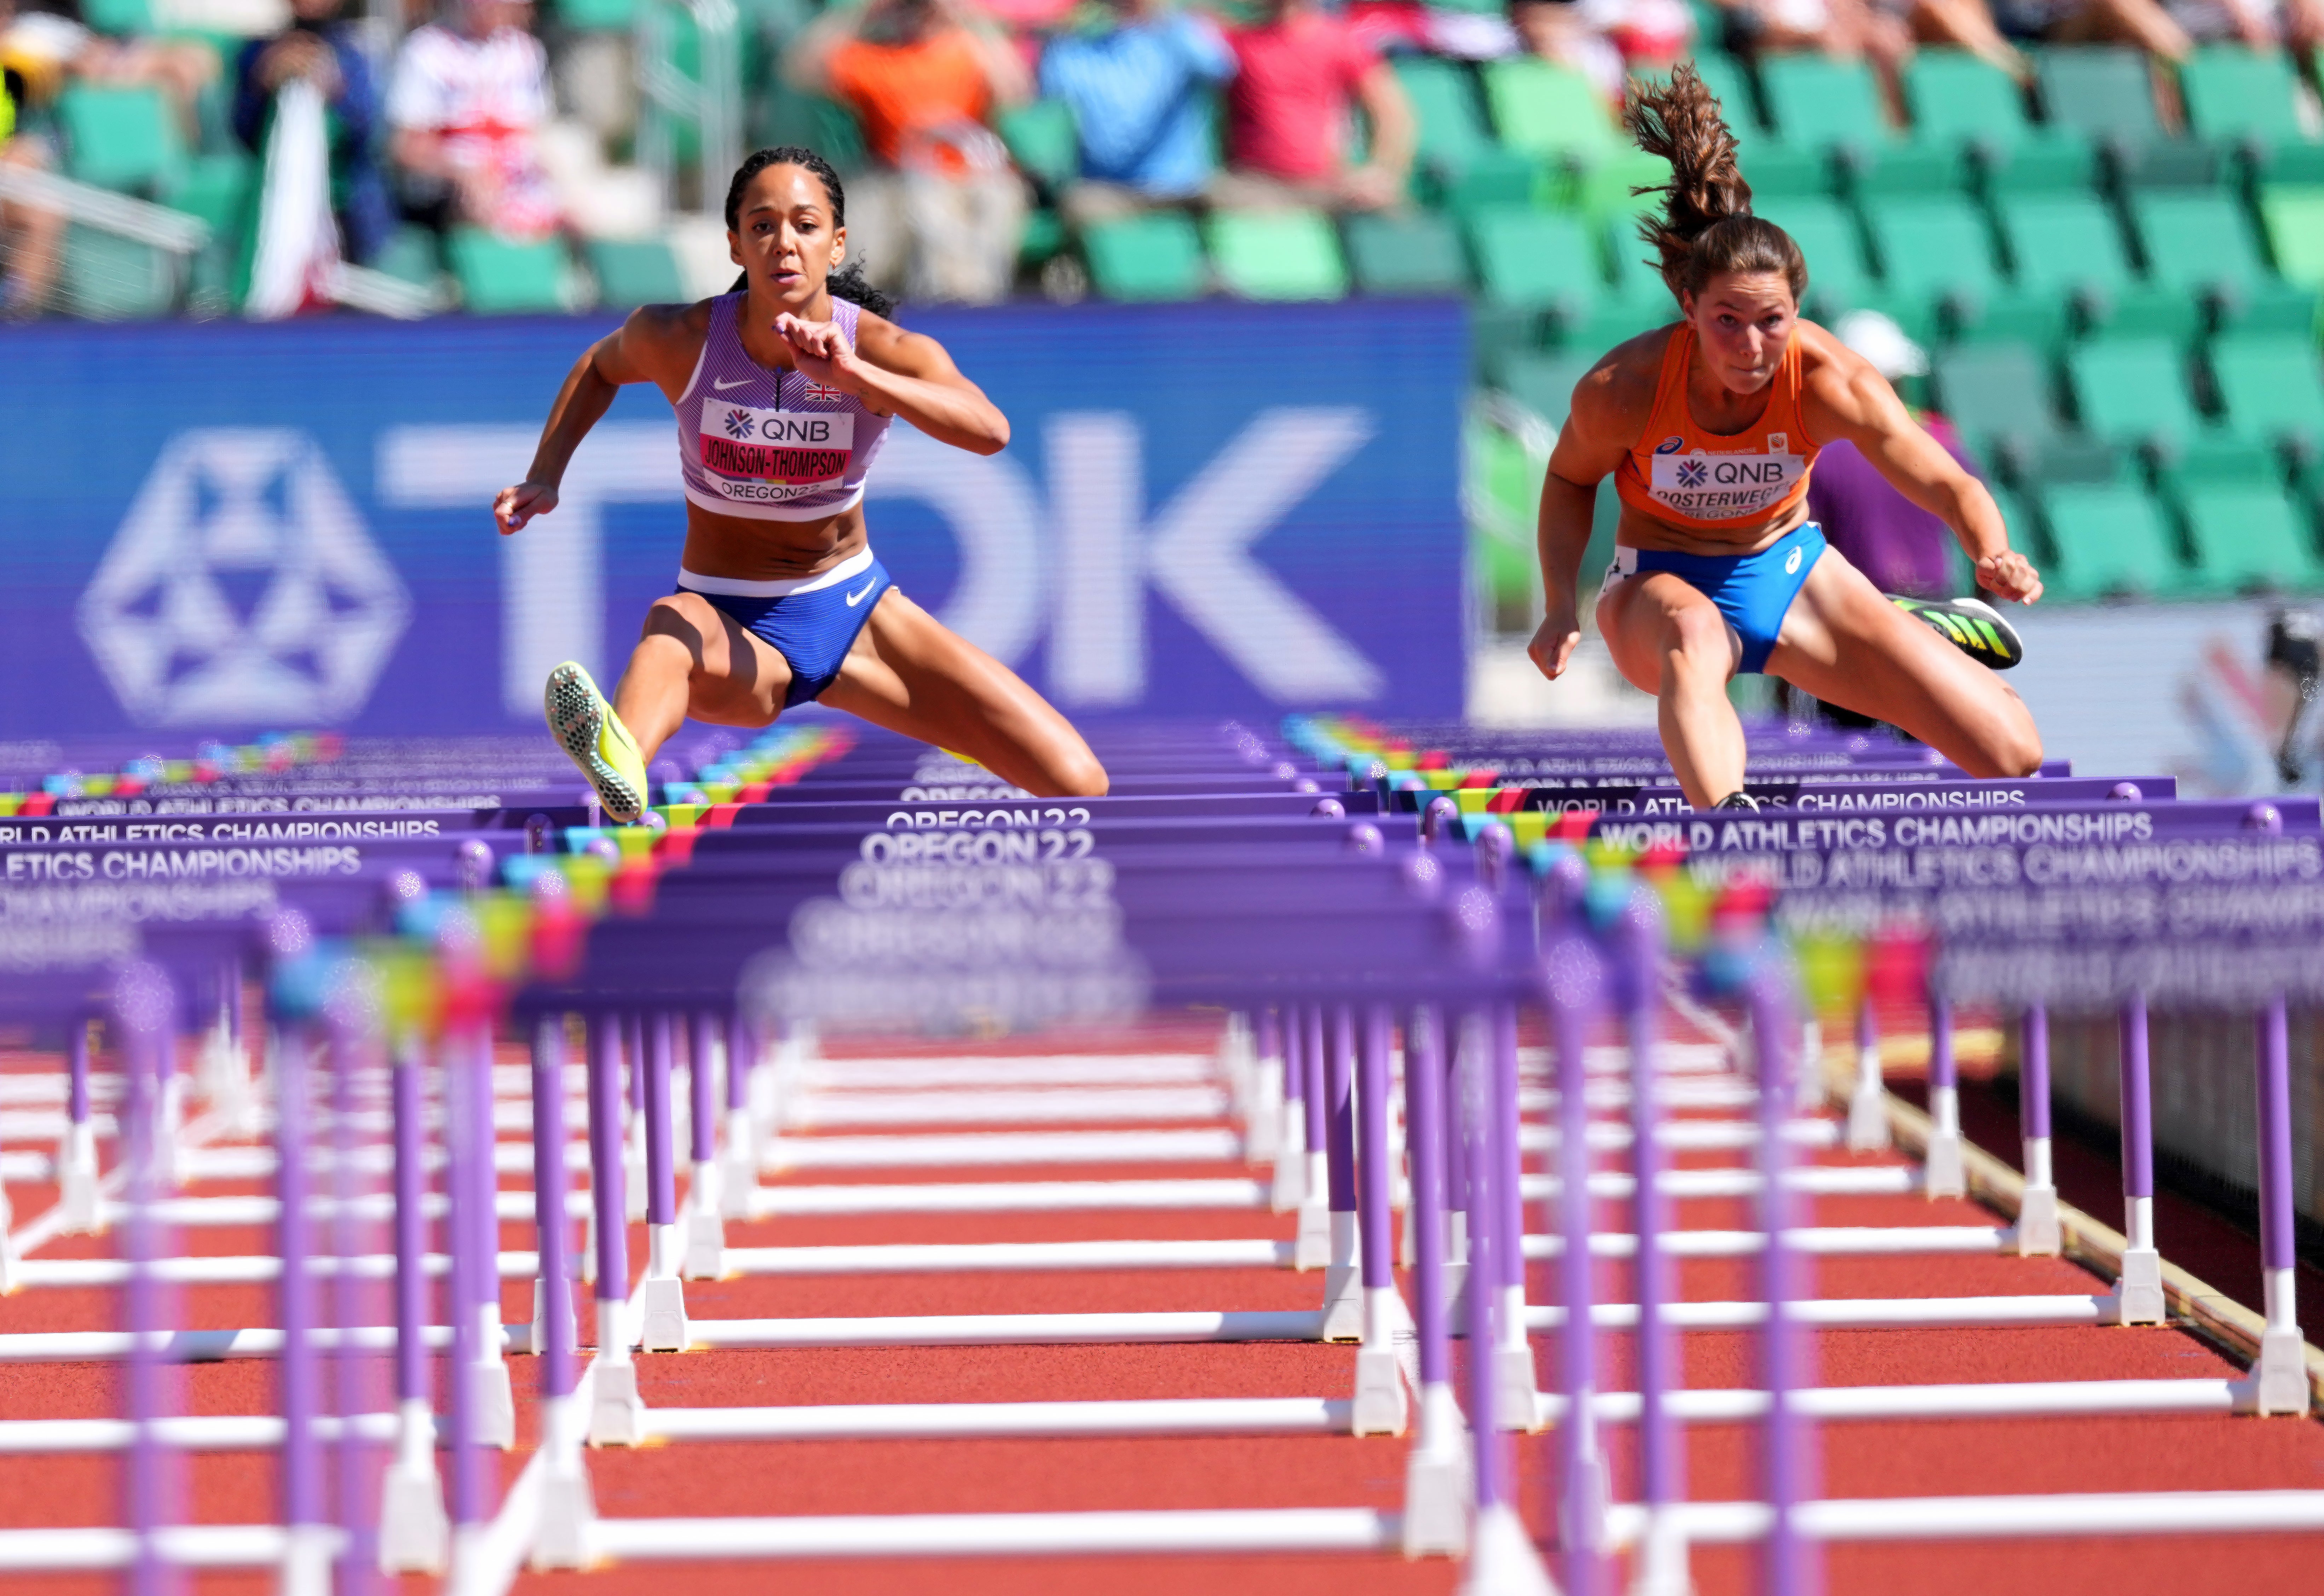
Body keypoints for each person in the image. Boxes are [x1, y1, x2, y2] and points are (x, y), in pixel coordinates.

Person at [494, 145, 1107, 820]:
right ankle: (621, 767)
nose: (783, 243)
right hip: (729, 623)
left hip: (853, 613)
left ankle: (627, 760)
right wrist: (544, 476)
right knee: (670, 629)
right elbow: (599, 366)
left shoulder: (880, 350)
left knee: (1076, 780)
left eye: (805, 225)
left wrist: (854, 381)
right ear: (734, 245)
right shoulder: (683, 338)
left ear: (836, 244)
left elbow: (989, 431)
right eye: (761, 226)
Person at [1528, 65, 2042, 809]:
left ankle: (1905, 625)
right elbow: (1568, 478)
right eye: (1725, 322)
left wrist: (1989, 549)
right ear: (1688, 309)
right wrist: (1555, 605)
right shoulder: (1628, 389)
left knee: (2010, 752)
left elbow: (1943, 480)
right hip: (1656, 586)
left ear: (1795, 310)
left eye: (1770, 320)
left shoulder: (1830, 380)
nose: (1749, 346)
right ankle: (1731, 825)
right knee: (1695, 636)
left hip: (1788, 572)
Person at [784, 0, 1028, 304]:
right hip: (892, 181)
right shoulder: (874, 60)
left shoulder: (967, 50)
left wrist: (959, 13)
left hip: (966, 180)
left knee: (957, 213)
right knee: (877, 225)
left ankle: (964, 302)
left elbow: (1016, 89)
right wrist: (862, 11)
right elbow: (800, 70)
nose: (915, 15)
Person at [1037, 0, 1236, 226]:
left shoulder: (1178, 35)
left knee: (1237, 204)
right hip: (1111, 193)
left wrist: (1168, 19)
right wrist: (1066, 26)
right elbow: (1045, 91)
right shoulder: (1075, 52)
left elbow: (1220, 70)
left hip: (1183, 191)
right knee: (1079, 207)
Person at [232, 0, 394, 265]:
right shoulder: (258, 52)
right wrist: (262, 82)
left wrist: (335, 85)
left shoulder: (356, 53)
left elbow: (370, 136)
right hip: (277, 203)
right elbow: (243, 133)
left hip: (344, 208)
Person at [1216, 0, 1415, 213]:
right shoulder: (1239, 44)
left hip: (1326, 186)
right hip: (1255, 185)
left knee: (1395, 216)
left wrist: (1381, 172)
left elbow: (1391, 112)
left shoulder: (1339, 42)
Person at [386, 0, 558, 238]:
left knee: (595, 202)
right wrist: (464, 174)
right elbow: (406, 148)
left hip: (519, 180)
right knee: (483, 199)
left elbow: (536, 133)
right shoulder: (427, 49)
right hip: (452, 191)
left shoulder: (526, 51)